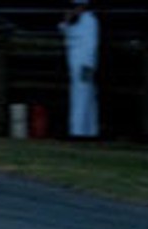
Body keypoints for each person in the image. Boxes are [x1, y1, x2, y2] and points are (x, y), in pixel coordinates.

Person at [59, 1, 100, 139]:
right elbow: (64, 30)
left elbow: (89, 44)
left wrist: (88, 66)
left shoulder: (89, 21)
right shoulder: (81, 22)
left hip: (84, 64)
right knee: (84, 95)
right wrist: (67, 21)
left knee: (81, 96)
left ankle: (78, 130)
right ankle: (88, 130)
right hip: (79, 65)